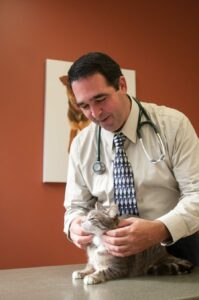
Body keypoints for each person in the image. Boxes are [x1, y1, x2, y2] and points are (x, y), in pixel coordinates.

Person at [64, 52, 199, 265]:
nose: (95, 113)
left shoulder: (173, 125)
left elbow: (196, 193)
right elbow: (75, 207)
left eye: (100, 99)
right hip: (112, 258)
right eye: (84, 106)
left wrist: (160, 229)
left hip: (174, 247)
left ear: (122, 85)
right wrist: (73, 226)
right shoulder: (81, 145)